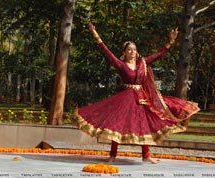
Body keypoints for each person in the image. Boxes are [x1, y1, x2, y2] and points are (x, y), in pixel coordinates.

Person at [72, 22, 200, 164]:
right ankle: (112, 155)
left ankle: (146, 155)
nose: (132, 51)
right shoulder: (120, 64)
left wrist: (171, 41)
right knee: (117, 125)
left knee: (143, 124)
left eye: (134, 49)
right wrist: (95, 34)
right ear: (124, 53)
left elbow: (159, 54)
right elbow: (106, 51)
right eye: (129, 50)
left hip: (141, 98)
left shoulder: (143, 63)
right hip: (125, 99)